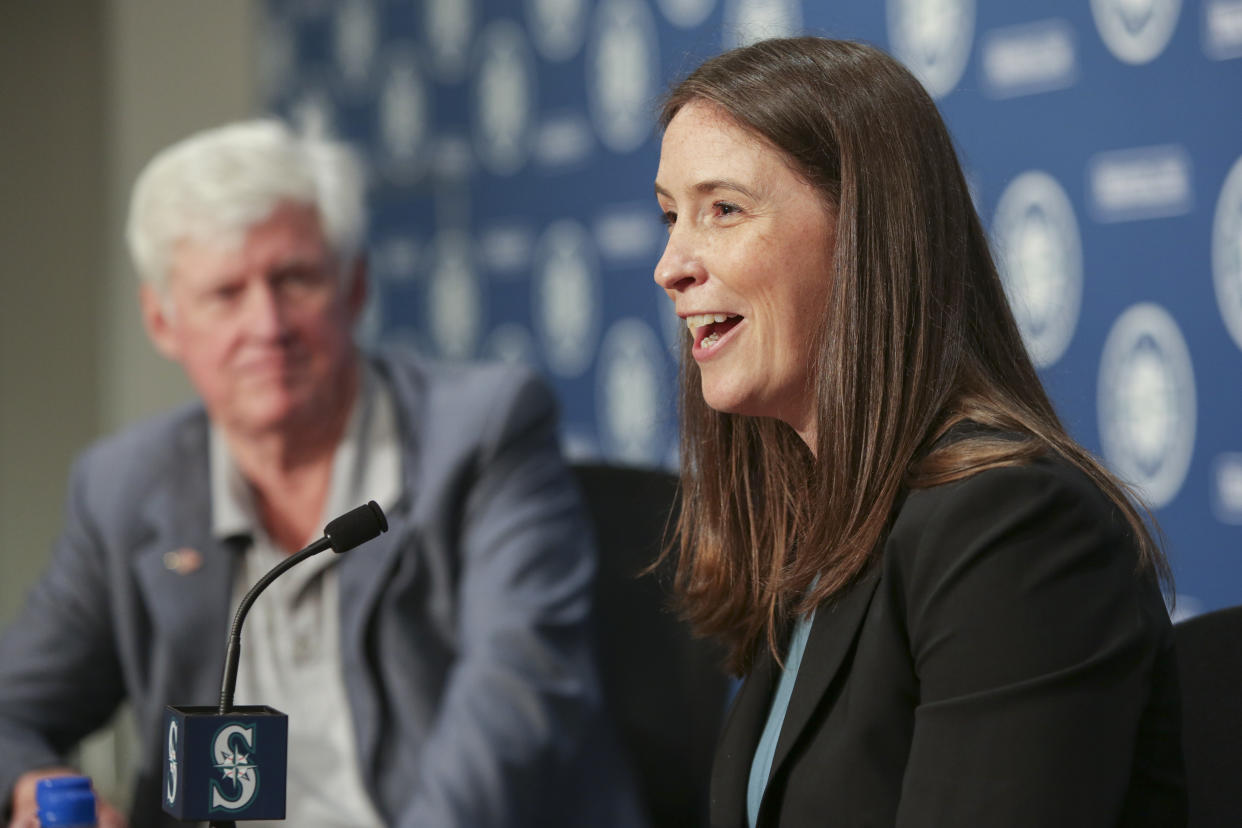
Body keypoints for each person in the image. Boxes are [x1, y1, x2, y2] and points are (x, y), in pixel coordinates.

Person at [0, 119, 640, 828]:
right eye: (224, 294)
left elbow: (517, 699)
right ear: (162, 321)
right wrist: (35, 786)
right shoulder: (123, 485)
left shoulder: (482, 432)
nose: (267, 324)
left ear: (355, 286)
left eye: (294, 279)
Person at [652, 37, 1185, 827]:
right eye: (670, 216)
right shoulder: (822, 527)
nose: (672, 265)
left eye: (722, 210)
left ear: (866, 232)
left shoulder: (1013, 532)